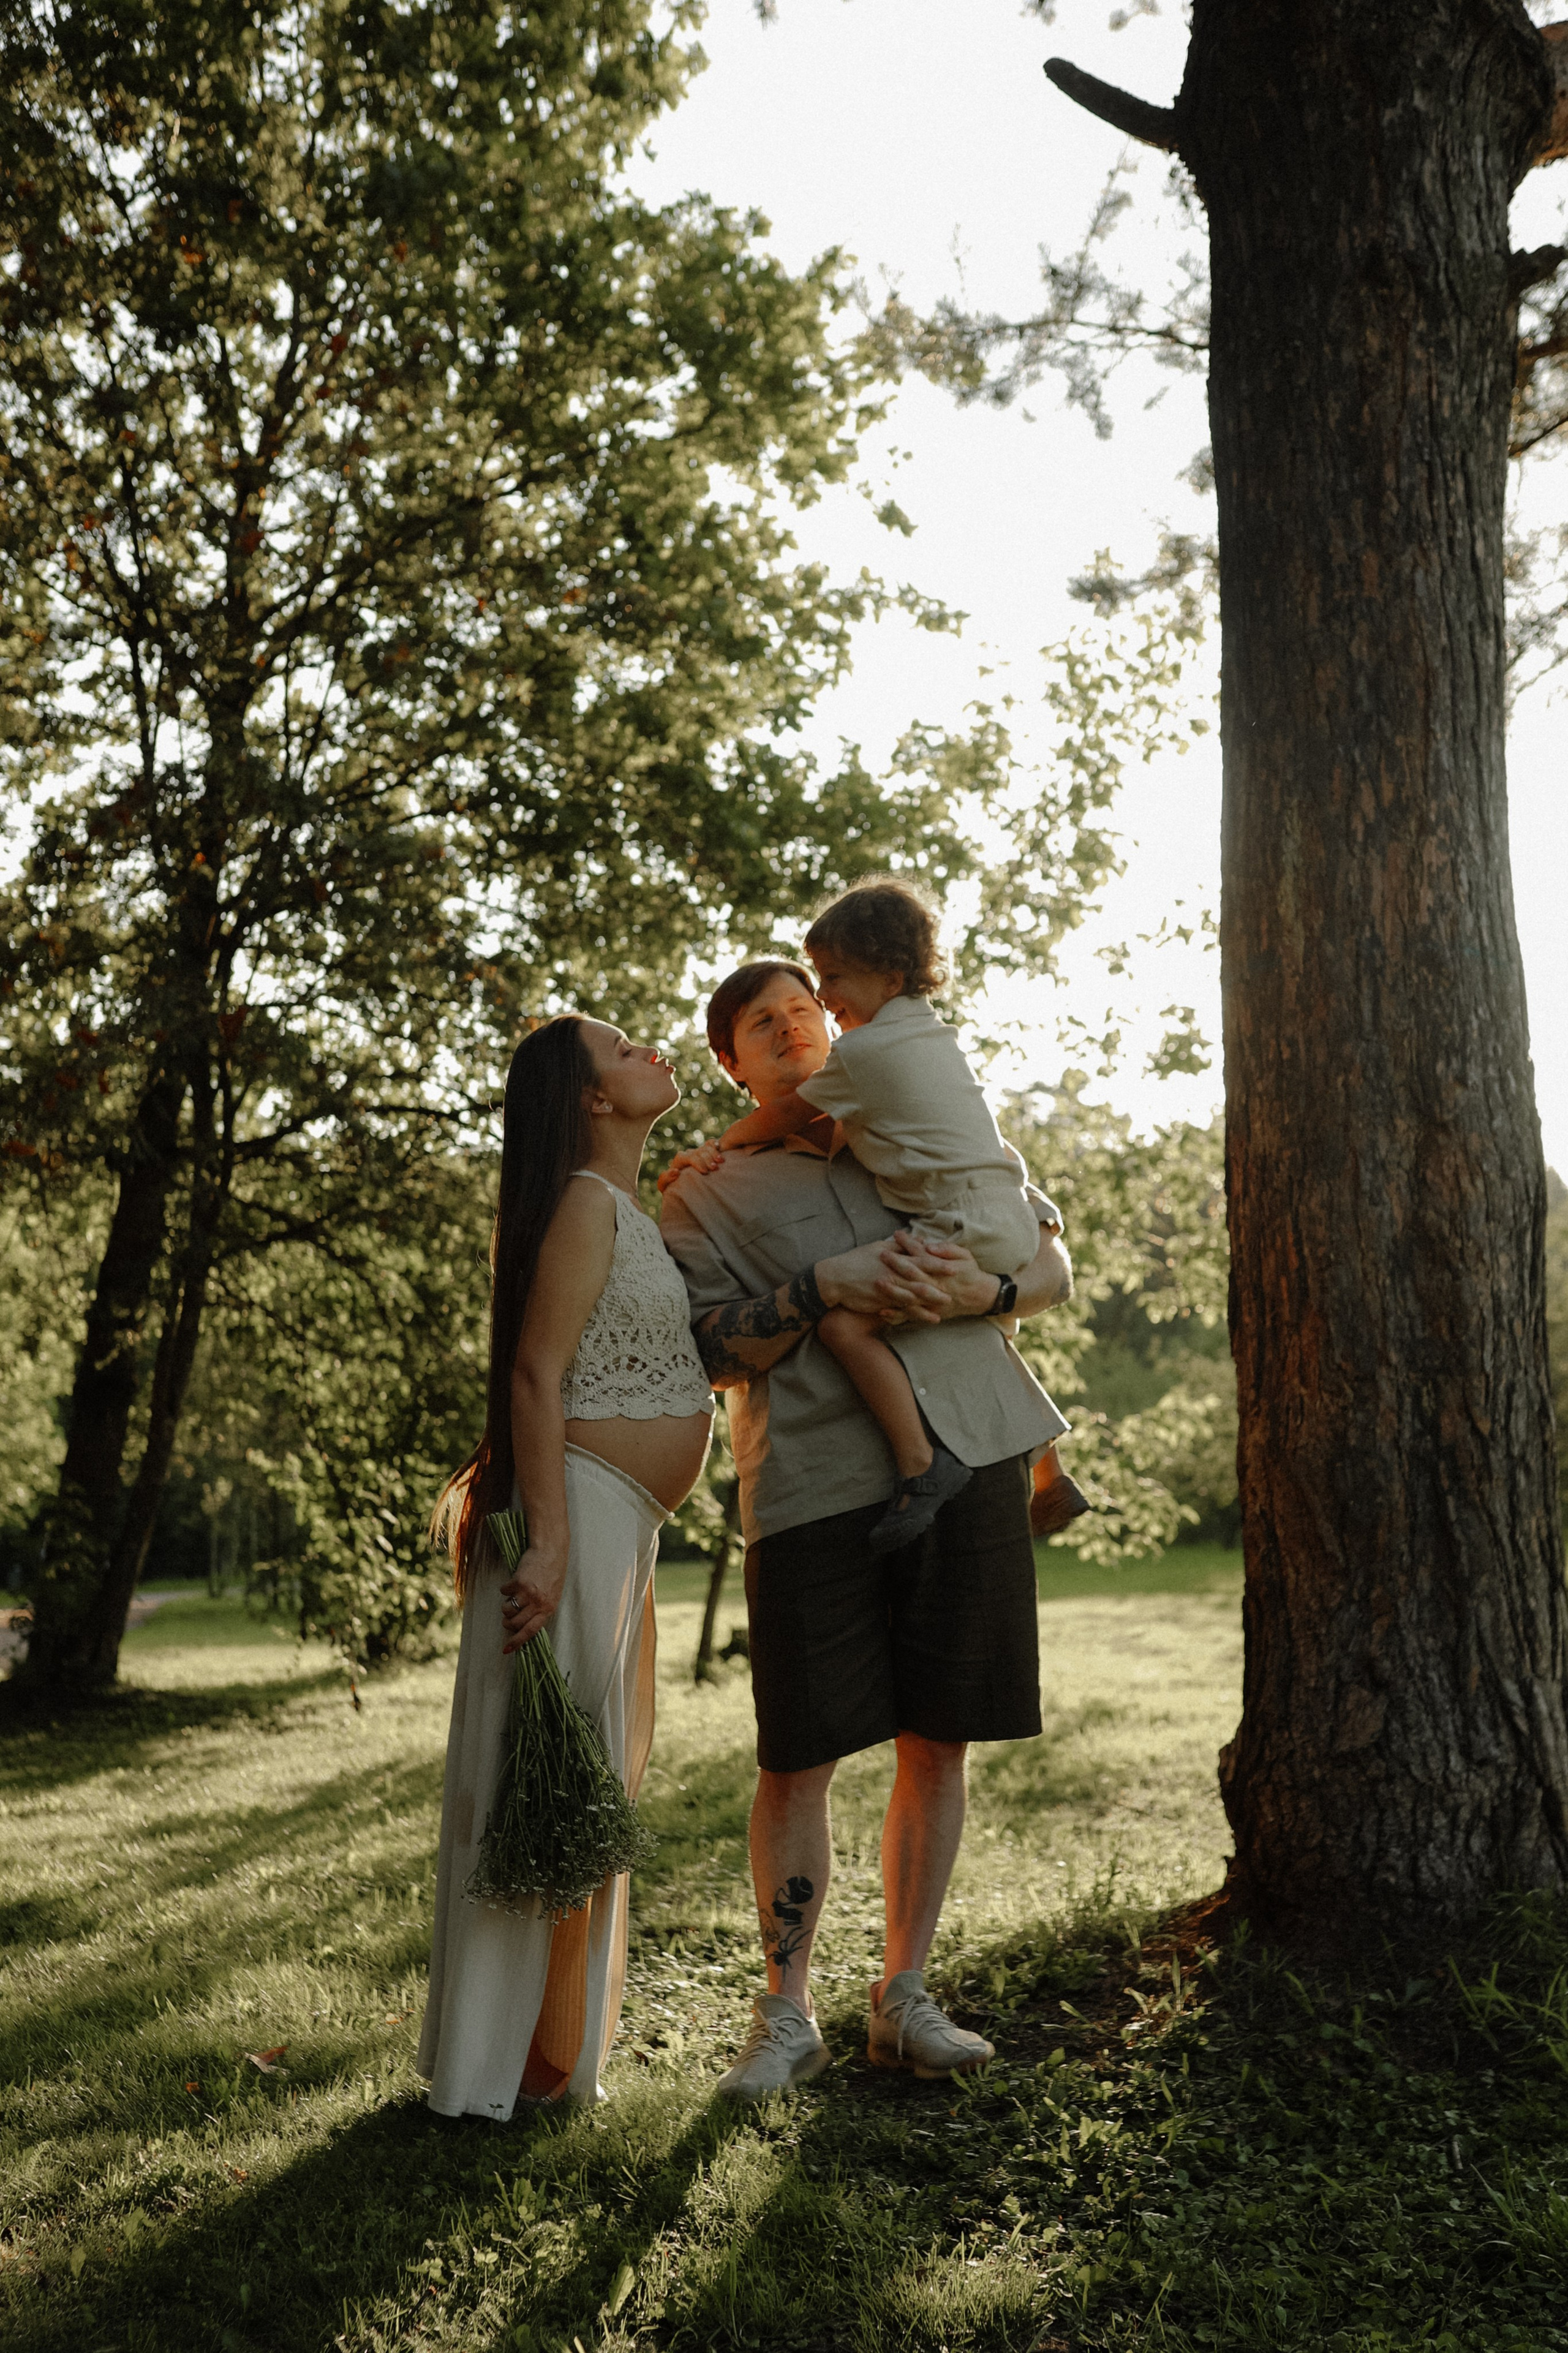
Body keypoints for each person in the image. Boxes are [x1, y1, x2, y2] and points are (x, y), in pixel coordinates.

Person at [658, 959, 1074, 2101]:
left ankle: (905, 1996)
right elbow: (702, 1350)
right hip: (812, 1487)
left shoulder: (918, 1122)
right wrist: (819, 1286)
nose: (795, 1026)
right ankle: (786, 2017)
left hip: (977, 1447)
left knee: (940, 1735)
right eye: (762, 1021)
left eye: (807, 1008)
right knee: (799, 1754)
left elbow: (1050, 1260)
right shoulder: (696, 1191)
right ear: (729, 1060)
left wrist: (987, 1297)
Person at [418, 1016, 713, 2120]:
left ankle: (547, 2061)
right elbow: (536, 1379)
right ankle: (493, 2072)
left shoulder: (621, 1207)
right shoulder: (587, 1206)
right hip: (577, 1518)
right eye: (628, 1049)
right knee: (539, 1788)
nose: (655, 1051)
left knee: (587, 1788)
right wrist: (546, 1539)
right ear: (592, 1100)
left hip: (615, 1523)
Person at [712, 878, 1089, 1549]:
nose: (818, 1005)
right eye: (762, 1020)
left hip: (973, 1242)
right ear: (728, 1057)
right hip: (992, 1214)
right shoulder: (928, 1045)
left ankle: (922, 1465)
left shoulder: (864, 1061)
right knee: (973, 1322)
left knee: (846, 1329)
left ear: (887, 979)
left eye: (821, 990)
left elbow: (795, 1113)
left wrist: (720, 1144)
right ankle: (1050, 1470)